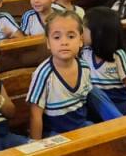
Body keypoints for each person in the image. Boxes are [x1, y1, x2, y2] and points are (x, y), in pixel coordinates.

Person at [27, 10, 115, 138]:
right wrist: (35, 146)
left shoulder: (84, 67)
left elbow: (84, 102)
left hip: (81, 126)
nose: (64, 42)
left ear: (80, 40)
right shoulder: (43, 74)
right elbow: (35, 114)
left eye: (71, 36)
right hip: (55, 133)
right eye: (57, 37)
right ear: (48, 43)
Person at [83, 7, 126, 115]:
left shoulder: (118, 56)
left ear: (98, 33)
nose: (81, 32)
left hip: (121, 104)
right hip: (100, 107)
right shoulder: (85, 53)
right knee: (93, 92)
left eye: (84, 28)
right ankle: (119, 124)